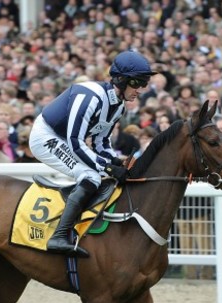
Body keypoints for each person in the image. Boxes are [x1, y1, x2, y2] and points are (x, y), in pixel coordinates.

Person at [29, 50, 154, 257]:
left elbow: (100, 142)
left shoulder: (118, 107)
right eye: (137, 83)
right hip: (45, 136)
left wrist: (116, 161)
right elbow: (75, 142)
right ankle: (59, 236)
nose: (140, 90)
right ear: (121, 80)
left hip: (67, 139)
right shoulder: (90, 96)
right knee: (91, 176)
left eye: (144, 84)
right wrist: (107, 166)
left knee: (101, 174)